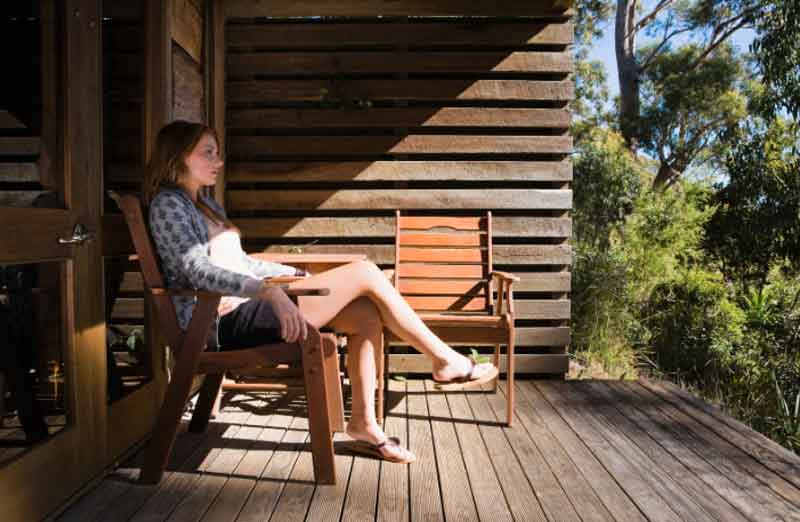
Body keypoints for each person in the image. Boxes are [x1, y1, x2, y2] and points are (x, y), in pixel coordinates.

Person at [142, 120, 499, 464]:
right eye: (208, 153)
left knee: (364, 314)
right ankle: (444, 359)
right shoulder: (168, 205)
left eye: (217, 153)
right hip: (217, 323)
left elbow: (241, 264)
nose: (218, 161)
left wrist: (293, 274)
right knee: (366, 272)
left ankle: (364, 424)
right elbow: (196, 270)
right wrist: (268, 292)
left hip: (243, 308)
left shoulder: (206, 206)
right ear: (178, 156)